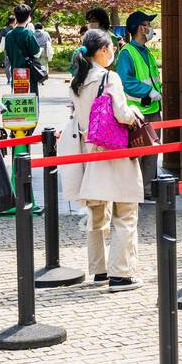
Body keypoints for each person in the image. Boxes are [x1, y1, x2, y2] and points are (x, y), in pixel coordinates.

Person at [69, 28, 145, 291]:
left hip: (90, 152)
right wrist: (134, 110)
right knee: (125, 212)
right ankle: (121, 274)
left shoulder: (77, 81)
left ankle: (99, 270)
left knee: (97, 214)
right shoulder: (108, 77)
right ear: (102, 50)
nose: (113, 51)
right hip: (114, 151)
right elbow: (122, 114)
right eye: (111, 47)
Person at [115, 10, 162, 201]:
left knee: (152, 152)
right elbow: (125, 80)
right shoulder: (128, 52)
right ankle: (133, 190)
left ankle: (148, 189)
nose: (150, 28)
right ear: (138, 28)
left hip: (152, 110)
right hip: (137, 113)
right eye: (147, 24)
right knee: (137, 154)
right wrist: (147, 91)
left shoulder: (146, 51)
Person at [2, 4, 43, 92]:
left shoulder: (9, 35)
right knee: (30, 101)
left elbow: (8, 53)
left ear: (15, 18)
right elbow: (36, 52)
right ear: (28, 18)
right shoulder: (28, 33)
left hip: (16, 73)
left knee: (18, 100)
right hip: (29, 74)